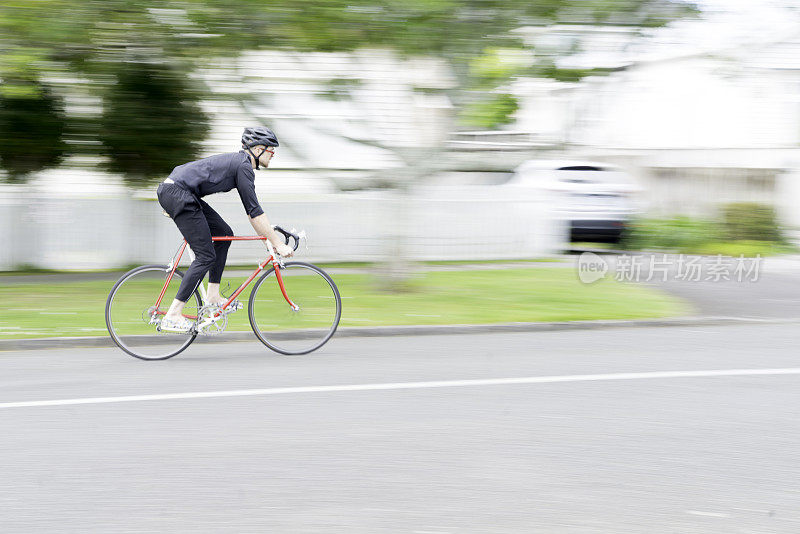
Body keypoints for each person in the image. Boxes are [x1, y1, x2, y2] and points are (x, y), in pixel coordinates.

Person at [156, 126, 294, 332]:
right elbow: (254, 212)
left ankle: (212, 296)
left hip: (181, 193)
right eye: (271, 149)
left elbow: (254, 213)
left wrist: (269, 232)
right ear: (257, 150)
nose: (273, 154)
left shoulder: (240, 164)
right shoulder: (243, 166)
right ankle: (173, 314)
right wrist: (277, 243)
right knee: (205, 256)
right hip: (178, 194)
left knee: (225, 233)